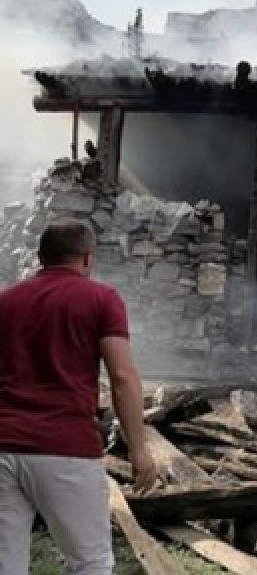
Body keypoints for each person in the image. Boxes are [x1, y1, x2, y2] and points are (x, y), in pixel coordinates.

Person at [0, 218, 157, 575]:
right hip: (65, 448)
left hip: (3, 446)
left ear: (41, 257)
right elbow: (122, 375)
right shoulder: (102, 299)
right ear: (87, 258)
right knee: (90, 563)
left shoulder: (5, 301)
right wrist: (139, 448)